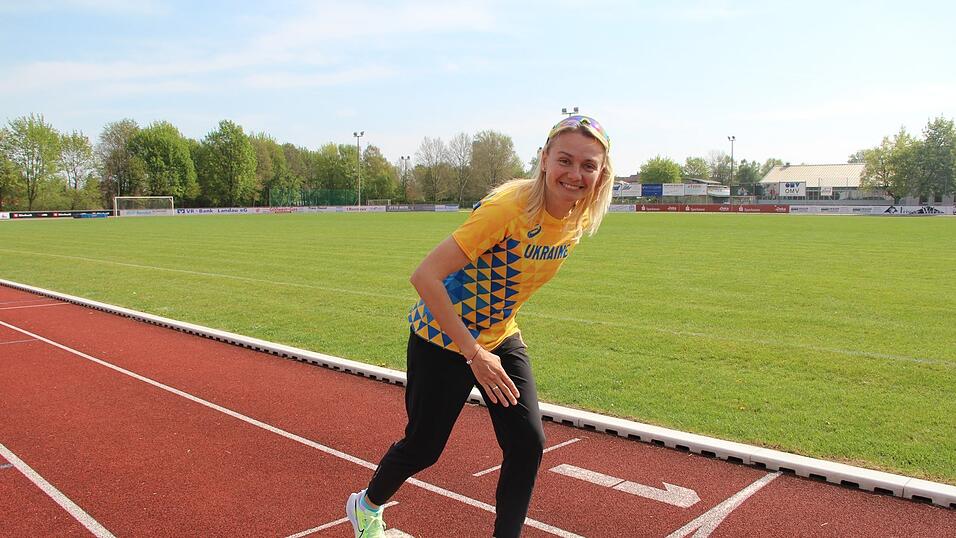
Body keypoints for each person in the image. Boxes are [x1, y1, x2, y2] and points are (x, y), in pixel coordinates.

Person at [346, 115, 614, 538]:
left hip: (499, 337)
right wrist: (474, 354)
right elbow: (425, 276)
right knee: (423, 448)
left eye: (588, 165)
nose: (575, 174)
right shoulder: (507, 210)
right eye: (565, 160)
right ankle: (366, 506)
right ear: (544, 159)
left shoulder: (576, 222)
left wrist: (501, 337)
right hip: (442, 338)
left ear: (602, 174)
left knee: (527, 444)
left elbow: (512, 283)